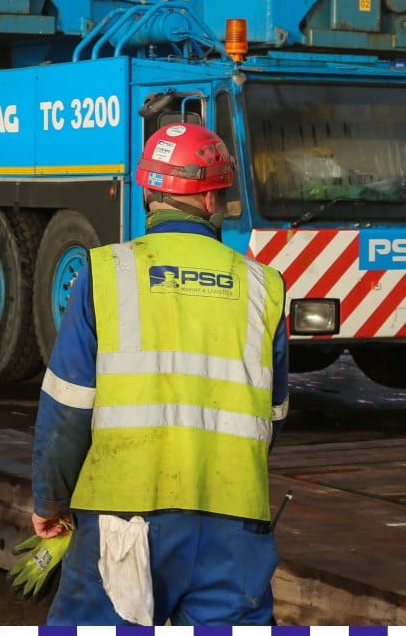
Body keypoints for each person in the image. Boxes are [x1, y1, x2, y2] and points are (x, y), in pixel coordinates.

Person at [30, 122, 289, 625]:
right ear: (214, 199)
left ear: (149, 193)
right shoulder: (265, 287)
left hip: (120, 518)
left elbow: (67, 408)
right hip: (233, 526)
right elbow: (271, 416)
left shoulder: (105, 273)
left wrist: (51, 500)